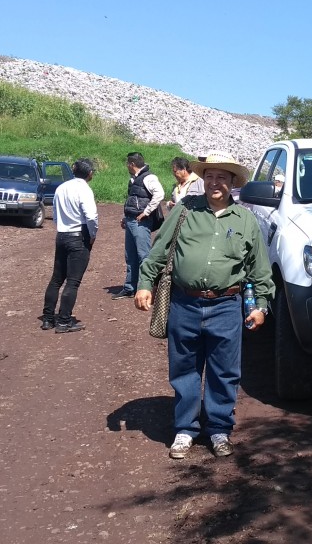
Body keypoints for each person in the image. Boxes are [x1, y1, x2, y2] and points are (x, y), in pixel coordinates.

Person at [135, 151, 274, 460]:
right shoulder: (185, 210)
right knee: (184, 368)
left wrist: (260, 305)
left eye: (221, 177)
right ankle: (185, 429)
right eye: (209, 176)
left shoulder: (246, 220)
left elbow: (259, 267)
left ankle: (219, 429)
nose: (214, 182)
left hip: (226, 306)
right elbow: (159, 251)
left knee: (224, 371)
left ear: (232, 183)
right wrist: (145, 283)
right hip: (185, 303)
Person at [41, 158, 98, 333]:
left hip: (62, 234)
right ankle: (64, 321)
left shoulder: (61, 187)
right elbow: (91, 216)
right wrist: (93, 235)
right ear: (90, 174)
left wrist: (61, 228)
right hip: (78, 236)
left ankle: (48, 319)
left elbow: (55, 214)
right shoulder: (84, 189)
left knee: (56, 279)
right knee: (73, 282)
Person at [112, 152, 165, 300]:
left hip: (140, 221)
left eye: (127, 164)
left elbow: (159, 194)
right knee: (131, 256)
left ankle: (145, 288)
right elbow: (133, 199)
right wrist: (126, 217)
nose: (127, 166)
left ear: (131, 164)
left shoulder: (149, 178)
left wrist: (146, 211)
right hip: (131, 220)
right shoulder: (135, 179)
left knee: (144, 255)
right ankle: (130, 287)